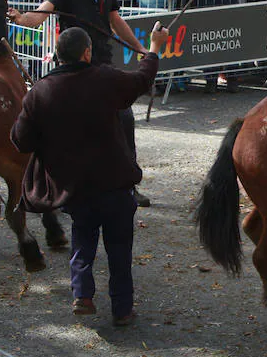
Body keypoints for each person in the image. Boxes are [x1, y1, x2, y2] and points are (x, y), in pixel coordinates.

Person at [10, 22, 168, 326]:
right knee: (119, 250)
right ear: (86, 53)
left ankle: (82, 295)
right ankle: (122, 310)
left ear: (57, 55)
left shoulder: (40, 91)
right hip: (115, 184)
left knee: (83, 241)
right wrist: (155, 48)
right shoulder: (105, 78)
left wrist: (32, 108)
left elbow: (20, 141)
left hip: (75, 189)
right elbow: (142, 79)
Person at [7, 0, 153, 208]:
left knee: (124, 120)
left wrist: (141, 49)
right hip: (72, 70)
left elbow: (115, 21)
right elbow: (39, 16)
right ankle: (63, 186)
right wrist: (20, 18)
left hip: (102, 67)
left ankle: (128, 184)